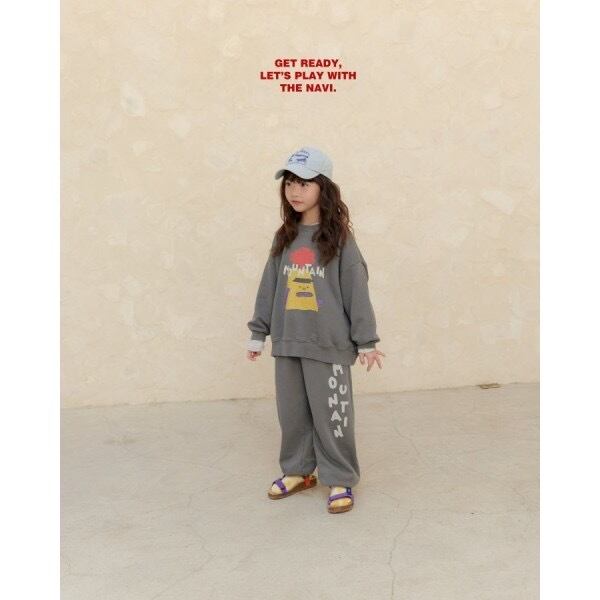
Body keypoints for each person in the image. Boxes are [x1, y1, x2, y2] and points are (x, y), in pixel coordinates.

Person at [246, 146, 385, 514]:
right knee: (292, 414)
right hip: (288, 342)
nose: (295, 191)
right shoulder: (284, 236)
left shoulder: (339, 240)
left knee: (332, 415)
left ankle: (339, 476)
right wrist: (258, 332)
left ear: (324, 187)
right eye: (290, 182)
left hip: (329, 345)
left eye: (304, 183)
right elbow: (269, 285)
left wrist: (366, 340)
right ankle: (298, 471)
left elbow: (356, 289)